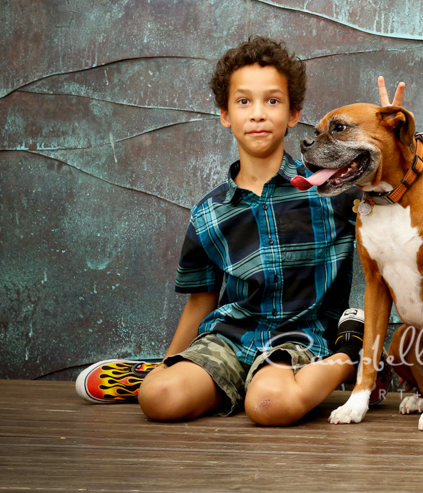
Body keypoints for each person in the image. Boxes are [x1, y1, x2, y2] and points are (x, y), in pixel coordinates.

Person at [75, 37, 401, 425]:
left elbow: (396, 213)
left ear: (294, 114)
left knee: (269, 408)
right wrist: (168, 364)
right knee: (159, 399)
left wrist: (391, 136)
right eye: (244, 101)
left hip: (301, 339)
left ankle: (353, 357)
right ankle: (174, 374)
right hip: (229, 338)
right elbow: (201, 301)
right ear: (225, 114)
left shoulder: (331, 192)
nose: (258, 114)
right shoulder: (209, 213)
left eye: (273, 101)